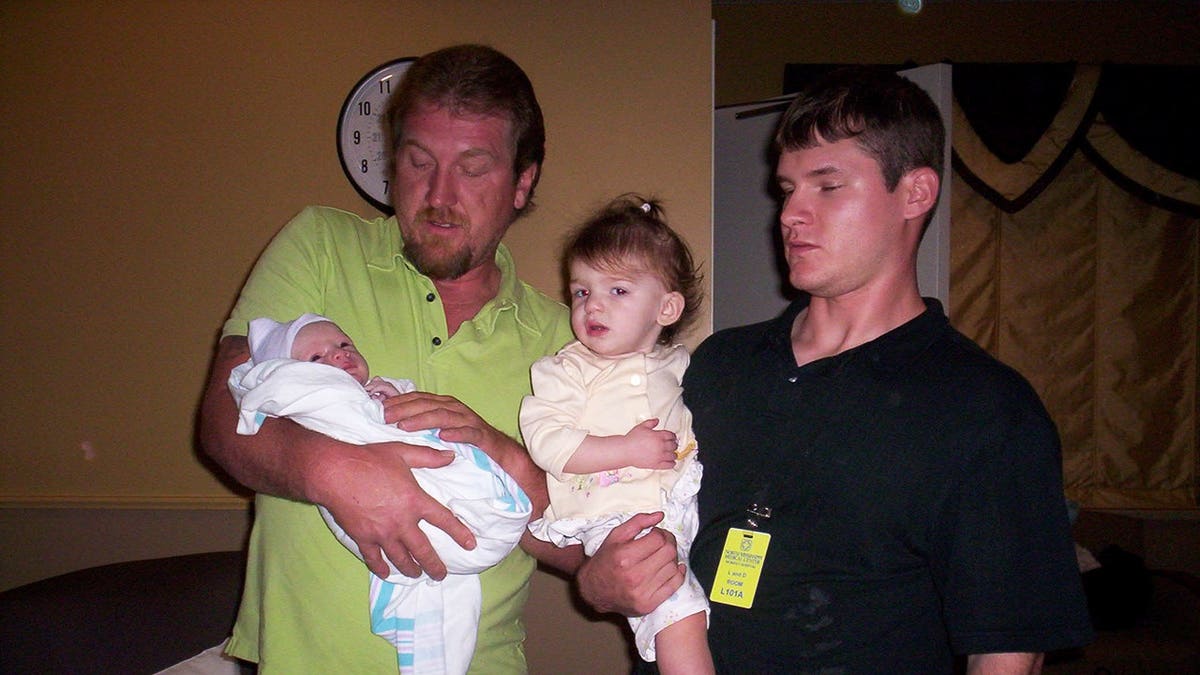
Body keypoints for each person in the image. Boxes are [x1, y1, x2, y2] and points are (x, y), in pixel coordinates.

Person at [577, 67, 1094, 673]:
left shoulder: (985, 410)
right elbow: (606, 515)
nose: (791, 213)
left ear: (916, 193)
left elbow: (1006, 650)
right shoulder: (712, 364)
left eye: (827, 187)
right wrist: (599, 583)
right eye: (787, 188)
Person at [198, 44, 576, 673]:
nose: (439, 194)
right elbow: (221, 417)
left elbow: (578, 548)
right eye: (418, 161)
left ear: (522, 182)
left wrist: (510, 461)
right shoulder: (320, 245)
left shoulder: (566, 341)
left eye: (473, 168)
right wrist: (336, 471)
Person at [230, 313, 532, 674]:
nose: (338, 356)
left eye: (343, 345)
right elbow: (290, 403)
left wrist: (390, 397)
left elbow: (401, 417)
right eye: (316, 358)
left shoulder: (374, 390)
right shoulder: (311, 397)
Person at [519, 196, 712, 675]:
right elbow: (547, 441)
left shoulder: (680, 364)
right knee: (676, 608)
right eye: (581, 292)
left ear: (666, 307)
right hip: (616, 512)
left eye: (618, 291)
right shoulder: (566, 371)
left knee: (715, 600)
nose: (593, 305)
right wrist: (624, 448)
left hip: (683, 499)